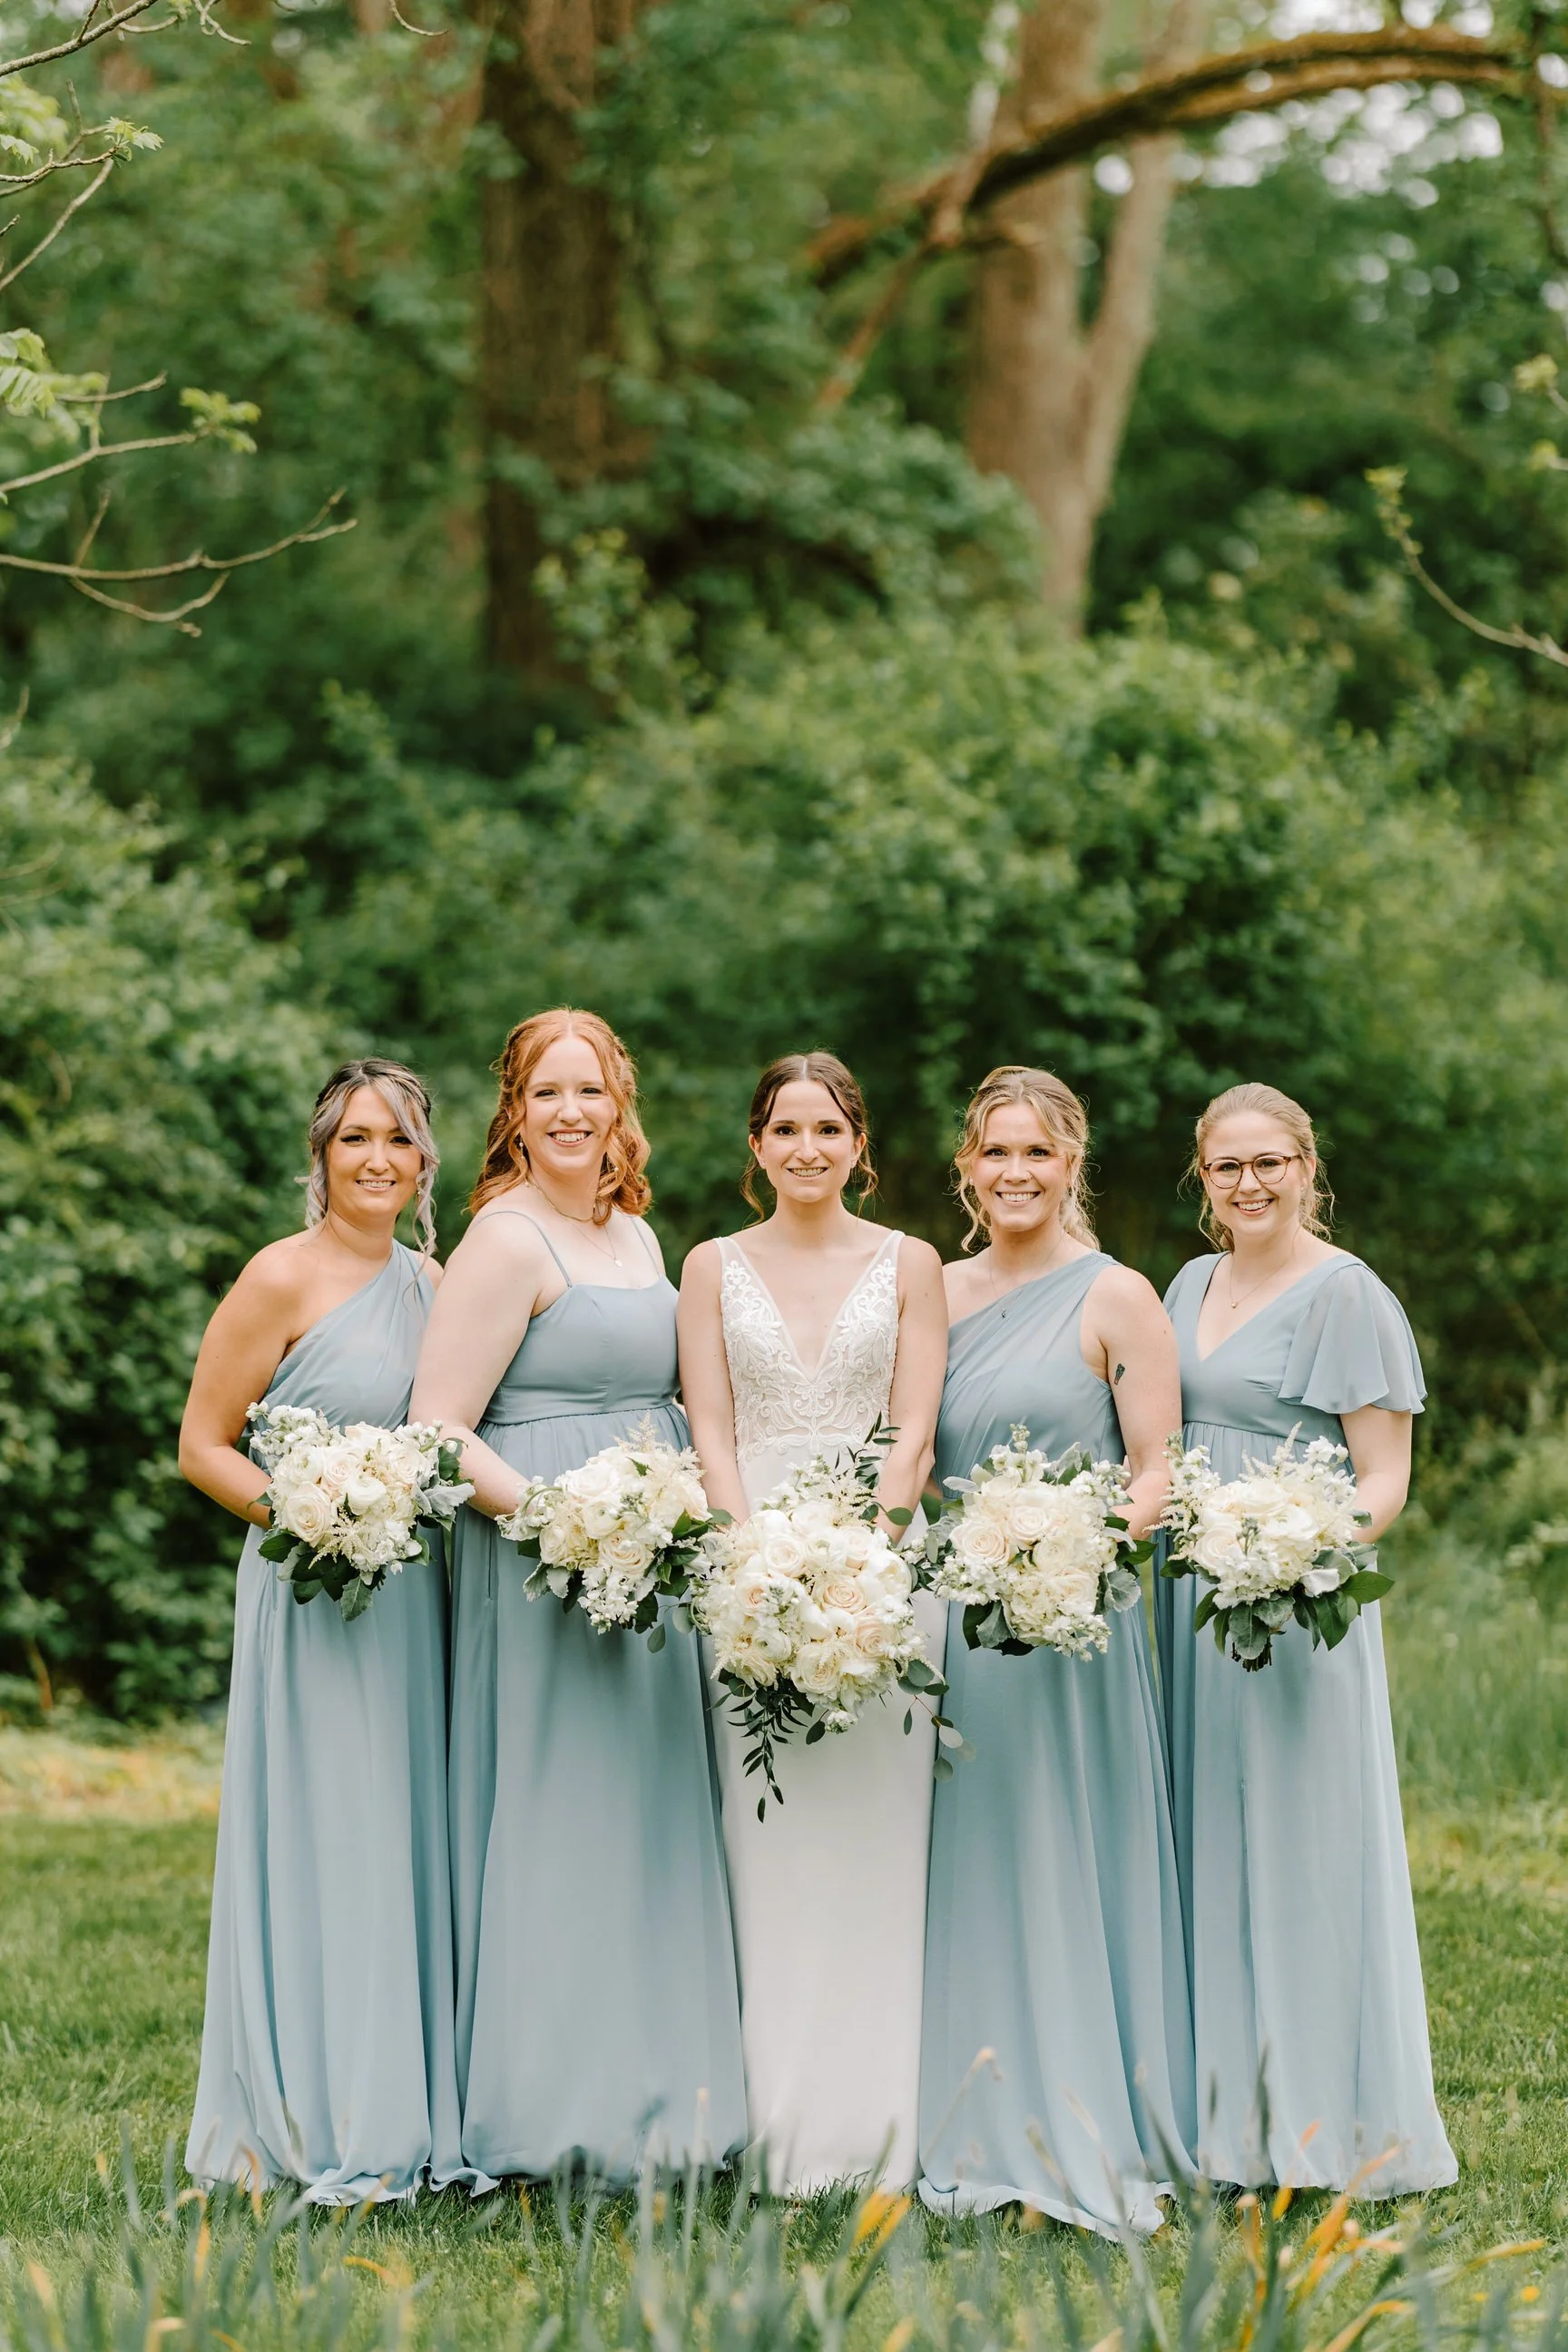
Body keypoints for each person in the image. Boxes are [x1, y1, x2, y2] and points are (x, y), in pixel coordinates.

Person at [410, 1007, 745, 2183]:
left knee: (647, 1822)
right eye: (546, 1092)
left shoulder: (634, 1239)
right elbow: (439, 1432)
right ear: (516, 1109)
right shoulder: (504, 1241)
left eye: (590, 1091)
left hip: (647, 1567)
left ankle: (664, 2104)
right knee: (561, 1824)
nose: (570, 1113)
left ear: (620, 1107)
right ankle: (549, 2115)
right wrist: (555, 1525)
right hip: (544, 1566)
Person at [1156, 1081, 1456, 2192]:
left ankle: (1325, 2121)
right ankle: (1222, 2120)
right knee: (1206, 1840)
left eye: (1269, 1163)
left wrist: (1292, 1546)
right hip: (1192, 1601)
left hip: (1295, 1602)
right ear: (1204, 1177)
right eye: (1228, 1166)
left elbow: (1385, 1480)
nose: (1249, 1183)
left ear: (1306, 1167)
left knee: (1299, 1845)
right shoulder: (1190, 1282)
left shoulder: (1349, 1295)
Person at [181, 1059, 466, 2200]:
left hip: (414, 1594)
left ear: (424, 1161)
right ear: (321, 1155)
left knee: (404, 1834)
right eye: (356, 1139)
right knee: (320, 1832)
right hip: (308, 1589)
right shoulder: (278, 1278)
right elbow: (204, 1445)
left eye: (399, 1140)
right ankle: (299, 2108)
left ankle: (403, 2103)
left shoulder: (437, 1285)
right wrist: (306, 1517)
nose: (378, 1159)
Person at [916, 1065, 1194, 2236]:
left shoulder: (1120, 1295)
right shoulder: (934, 1286)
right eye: (996, 1154)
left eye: (1038, 1153)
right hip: (966, 1619)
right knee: (974, 1861)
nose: (1016, 1173)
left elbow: (1158, 1470)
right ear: (968, 1170)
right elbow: (914, 1453)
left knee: (1068, 1855)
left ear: (1071, 1162)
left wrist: (1067, 1547)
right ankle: (973, 2122)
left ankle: (1082, 2127)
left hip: (1075, 1620)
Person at [678, 1051, 947, 2190]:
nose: (805, 1149)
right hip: (747, 1576)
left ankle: (879, 2130)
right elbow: (712, 1430)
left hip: (882, 1579)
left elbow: (915, 1430)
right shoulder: (708, 1265)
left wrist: (861, 1567)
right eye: (783, 1129)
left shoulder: (914, 1263)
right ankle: (773, 2123)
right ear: (755, 1146)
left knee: (879, 1849)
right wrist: (751, 1565)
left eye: (826, 1130)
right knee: (763, 1845)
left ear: (858, 1144)